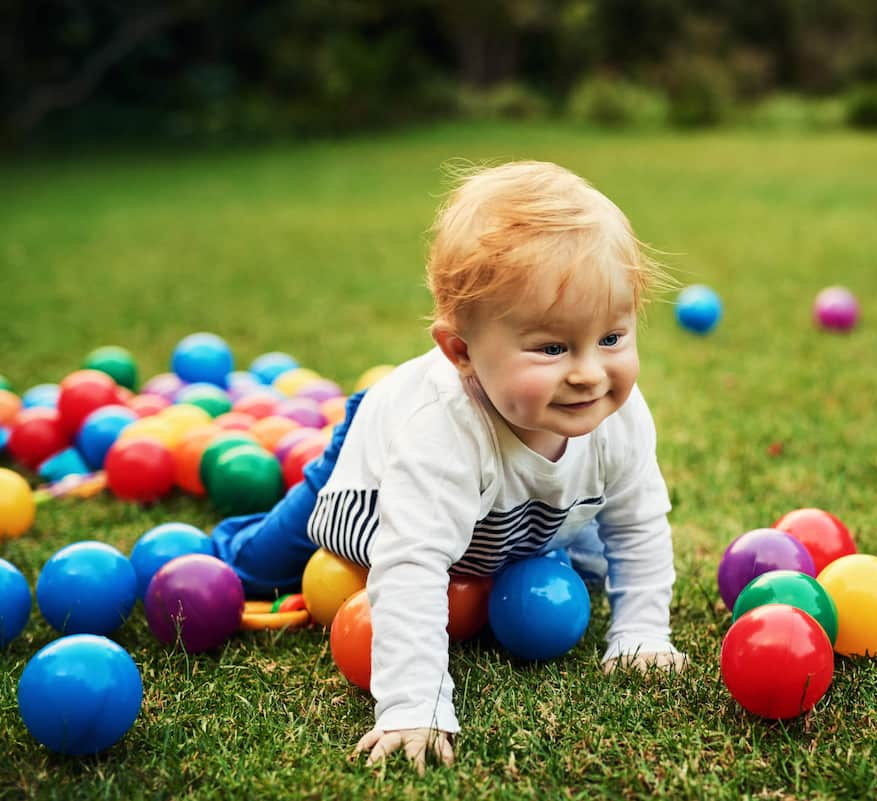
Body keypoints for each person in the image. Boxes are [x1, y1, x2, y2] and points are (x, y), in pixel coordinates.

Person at [212, 160, 686, 772]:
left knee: (590, 565)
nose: (590, 372)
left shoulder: (615, 415)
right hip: (374, 481)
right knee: (259, 565)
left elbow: (638, 525)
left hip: (508, 521)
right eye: (551, 347)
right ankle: (228, 543)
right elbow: (410, 566)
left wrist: (642, 634)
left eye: (612, 338)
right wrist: (415, 706)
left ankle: (514, 551)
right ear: (461, 352)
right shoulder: (440, 433)